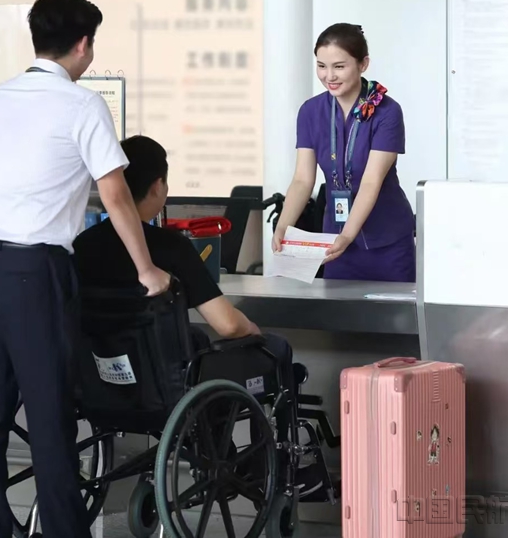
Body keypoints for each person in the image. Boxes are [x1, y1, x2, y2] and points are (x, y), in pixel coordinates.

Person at [0, 0, 170, 538]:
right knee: (51, 418)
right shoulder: (81, 104)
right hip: (33, 274)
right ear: (83, 45)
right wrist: (147, 270)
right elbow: (117, 195)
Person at [73, 135, 322, 497]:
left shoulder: (82, 245)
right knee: (275, 349)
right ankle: (272, 469)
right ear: (158, 186)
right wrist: (253, 331)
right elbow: (228, 324)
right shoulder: (169, 247)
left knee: (197, 341)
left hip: (101, 387)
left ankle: (220, 453)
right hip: (169, 390)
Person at [272, 23, 415, 282]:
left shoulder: (387, 112)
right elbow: (303, 179)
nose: (329, 76)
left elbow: (371, 182)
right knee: (339, 308)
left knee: (393, 309)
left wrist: (348, 235)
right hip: (335, 244)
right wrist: (284, 226)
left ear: (363, 64)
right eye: (321, 66)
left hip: (387, 241)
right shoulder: (310, 111)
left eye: (339, 66)